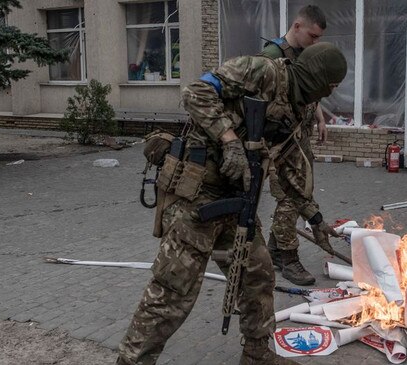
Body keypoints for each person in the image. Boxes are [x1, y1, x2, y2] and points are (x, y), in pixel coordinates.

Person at [115, 42, 347, 365]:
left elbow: (292, 169)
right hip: (197, 197)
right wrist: (229, 139)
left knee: (258, 275)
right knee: (173, 291)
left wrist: (316, 218)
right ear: (320, 79)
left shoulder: (301, 109)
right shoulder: (262, 71)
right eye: (331, 85)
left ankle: (256, 355)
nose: (330, 92)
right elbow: (196, 91)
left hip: (239, 205)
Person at [259, 5, 338, 285]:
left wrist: (319, 119)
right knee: (289, 198)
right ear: (296, 26)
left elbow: (309, 91)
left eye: (319, 38)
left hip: (299, 136)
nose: (315, 43)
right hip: (279, 142)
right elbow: (259, 105)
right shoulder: (272, 56)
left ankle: (274, 251)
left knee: (301, 192)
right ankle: (289, 260)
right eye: (313, 36)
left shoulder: (305, 56)